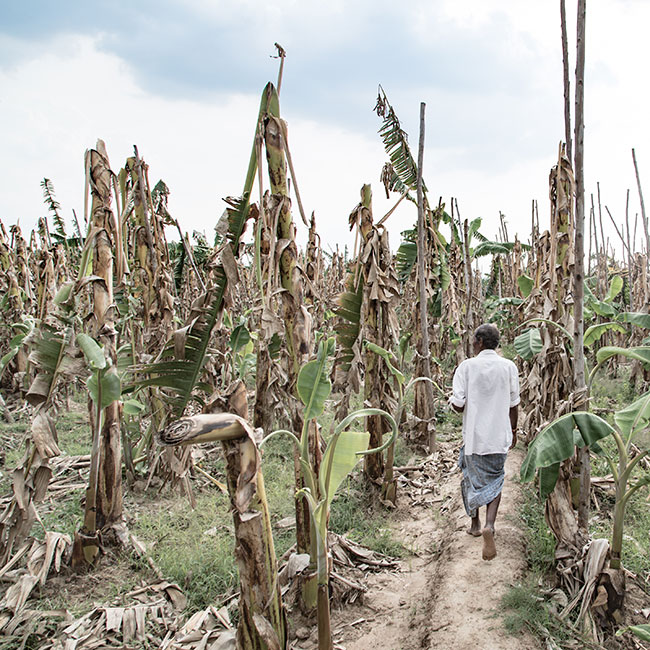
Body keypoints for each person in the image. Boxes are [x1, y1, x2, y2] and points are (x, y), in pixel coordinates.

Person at [449, 323, 520, 561]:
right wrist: (513, 430)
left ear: (479, 342)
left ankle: (476, 523)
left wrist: (453, 403)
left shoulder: (466, 367)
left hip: (474, 438)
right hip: (498, 436)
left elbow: (458, 405)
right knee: (495, 479)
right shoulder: (509, 367)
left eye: (473, 340)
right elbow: (514, 404)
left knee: (471, 478)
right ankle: (490, 523)